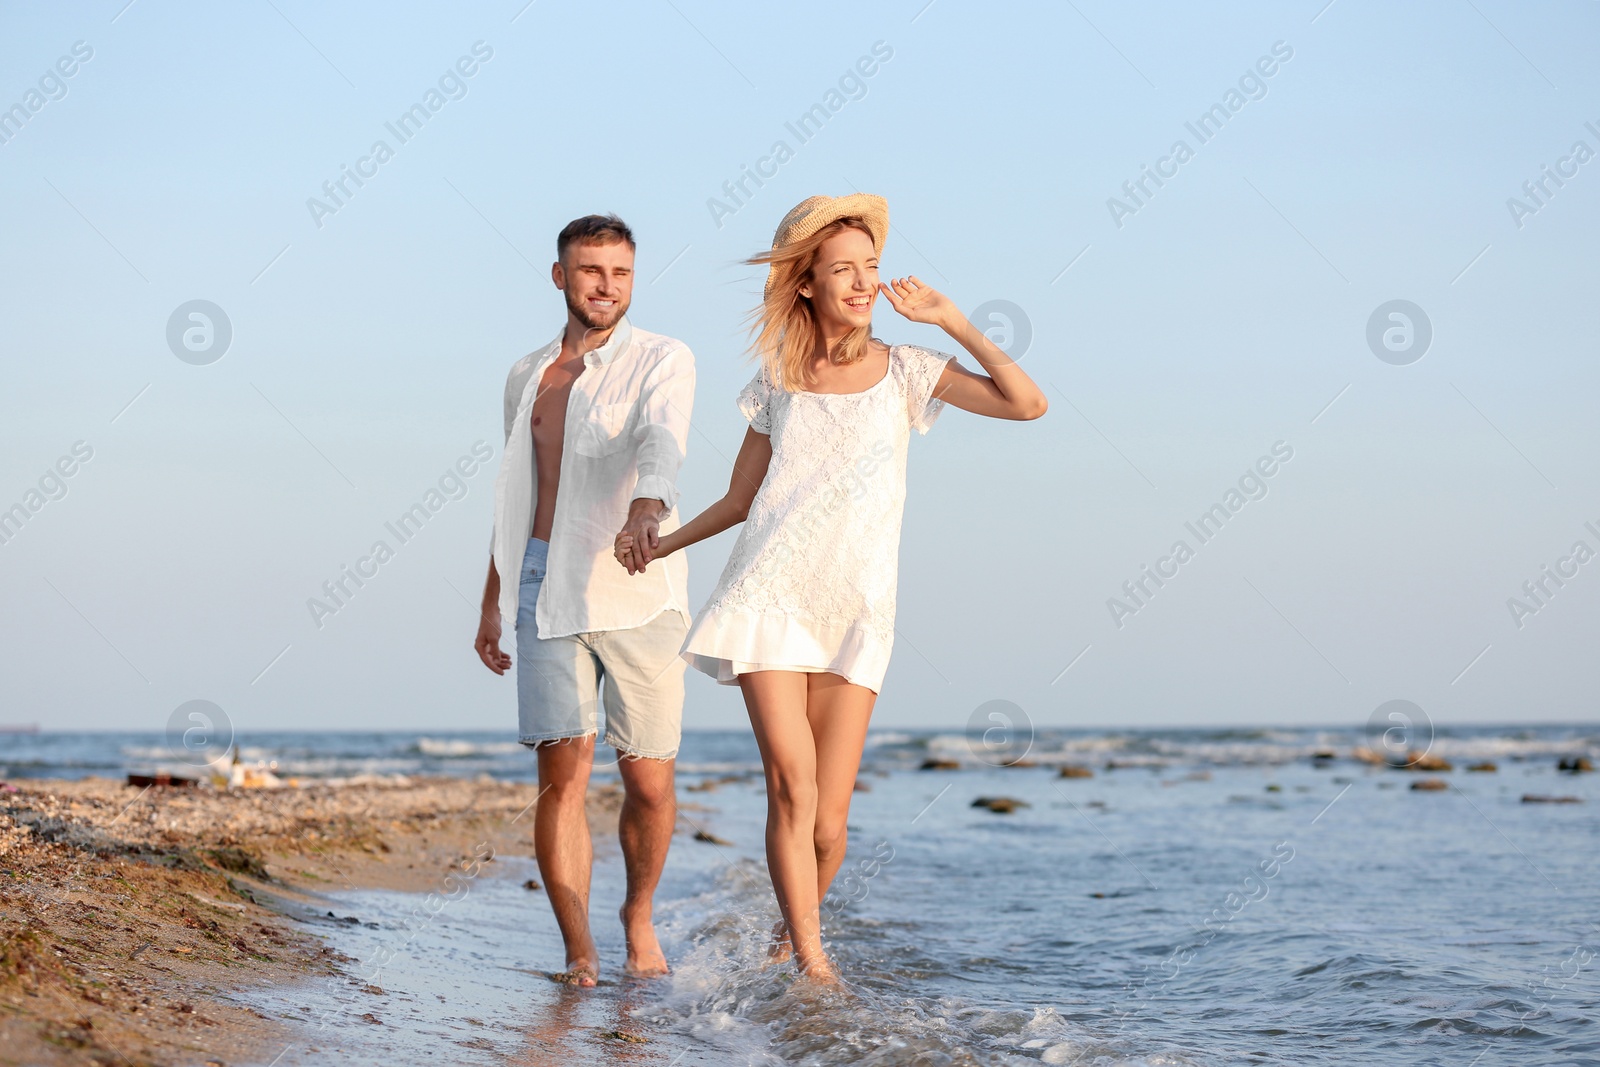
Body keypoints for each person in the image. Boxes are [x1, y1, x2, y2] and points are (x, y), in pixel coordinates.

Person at [613, 194, 1046, 981]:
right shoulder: (777, 379)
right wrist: (663, 542)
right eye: (842, 268)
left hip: (857, 606)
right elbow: (741, 501)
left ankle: (789, 932)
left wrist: (951, 320)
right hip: (768, 595)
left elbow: (1029, 404)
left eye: (870, 267)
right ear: (805, 282)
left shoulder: (909, 370)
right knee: (792, 784)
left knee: (830, 821)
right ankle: (813, 960)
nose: (860, 282)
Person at [476, 214, 695, 987]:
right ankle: (579, 949)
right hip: (542, 582)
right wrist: (492, 599)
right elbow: (514, 493)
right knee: (562, 777)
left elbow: (661, 442)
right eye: (592, 270)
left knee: (649, 781)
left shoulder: (665, 359)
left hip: (639, 589)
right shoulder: (526, 376)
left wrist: (649, 508)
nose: (608, 286)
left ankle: (637, 913)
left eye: (622, 273)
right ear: (561, 276)